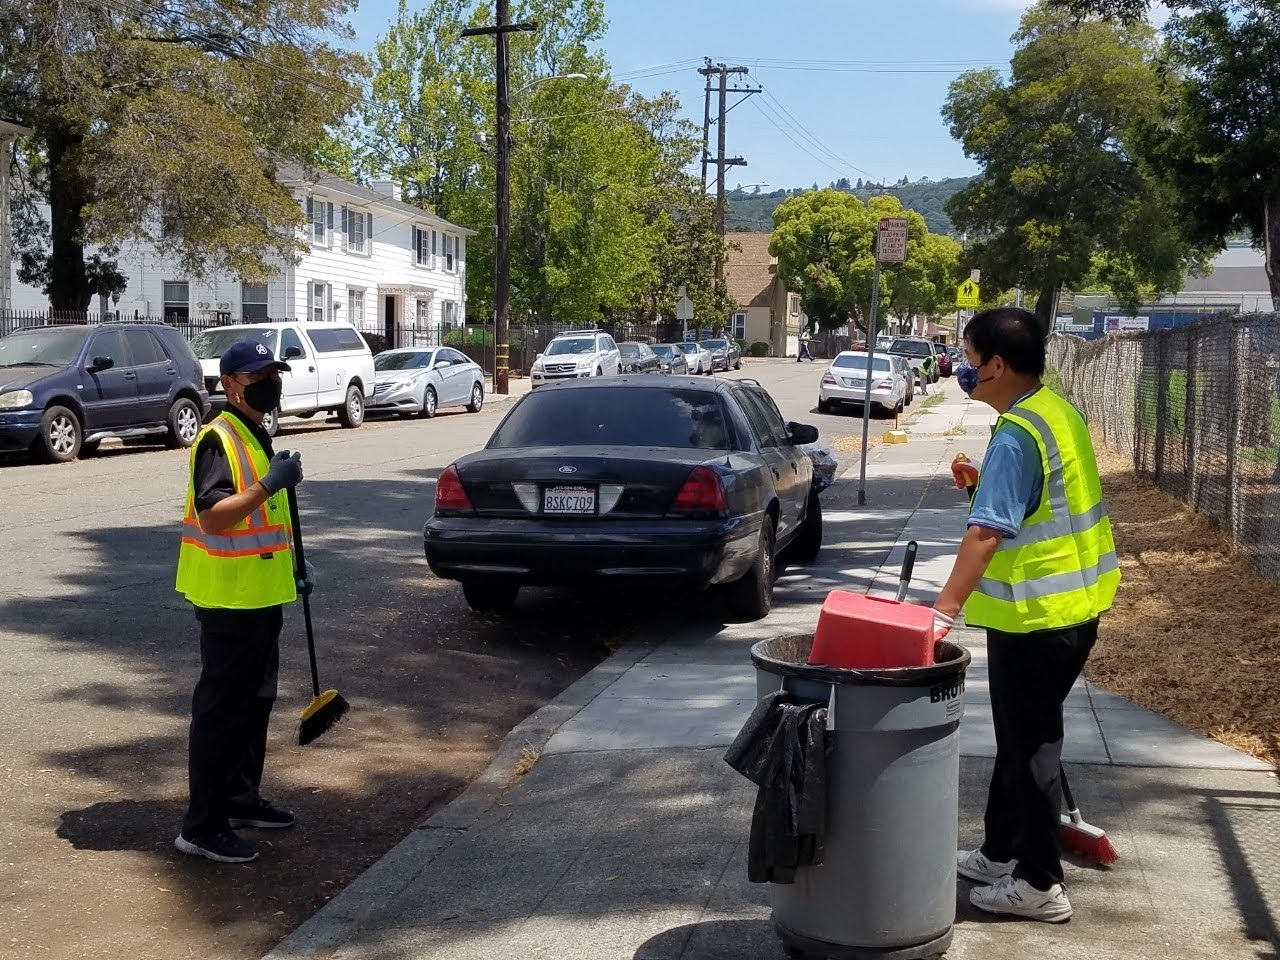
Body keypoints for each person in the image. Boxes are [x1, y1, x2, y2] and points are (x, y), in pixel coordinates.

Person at [929, 307, 1121, 923]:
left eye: (969, 359)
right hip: (1073, 611)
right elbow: (1038, 506)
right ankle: (998, 849)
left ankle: (1039, 883)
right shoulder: (1056, 413)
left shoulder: (1017, 434)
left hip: (1036, 619)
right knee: (1019, 736)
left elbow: (988, 534)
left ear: (998, 365)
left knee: (1033, 744)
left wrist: (943, 612)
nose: (964, 369)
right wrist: (982, 484)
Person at [174, 339, 308, 864]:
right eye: (258, 378)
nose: (270, 385)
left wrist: (296, 565)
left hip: (261, 594)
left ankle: (239, 798)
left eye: (274, 374)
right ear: (230, 385)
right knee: (222, 711)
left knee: (255, 704)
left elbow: (264, 525)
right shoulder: (218, 438)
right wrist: (271, 483)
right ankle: (202, 825)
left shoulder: (255, 433)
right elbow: (214, 516)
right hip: (229, 599)